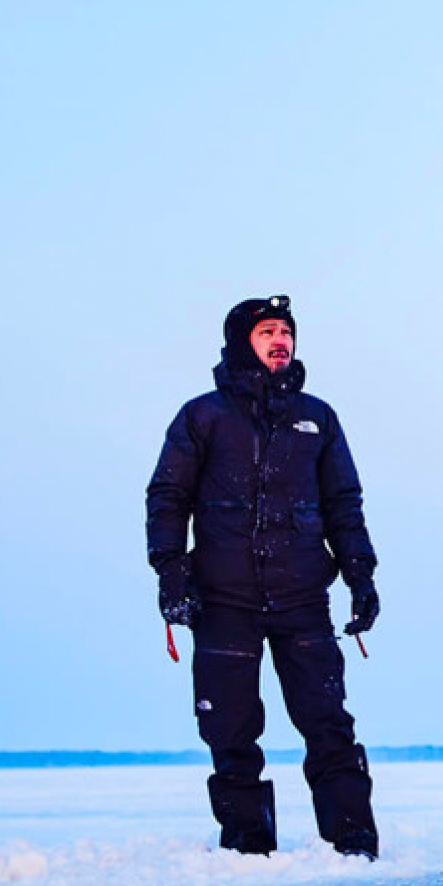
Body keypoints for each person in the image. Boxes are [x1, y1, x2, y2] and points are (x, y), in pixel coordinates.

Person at [145, 295, 381, 857]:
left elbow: (344, 503)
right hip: (224, 600)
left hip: (302, 598)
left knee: (327, 721)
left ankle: (354, 840)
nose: (281, 340)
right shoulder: (202, 417)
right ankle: (247, 844)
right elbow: (168, 497)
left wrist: (361, 577)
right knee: (229, 729)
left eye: (286, 332)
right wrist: (171, 572)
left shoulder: (316, 418)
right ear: (239, 342)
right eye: (267, 331)